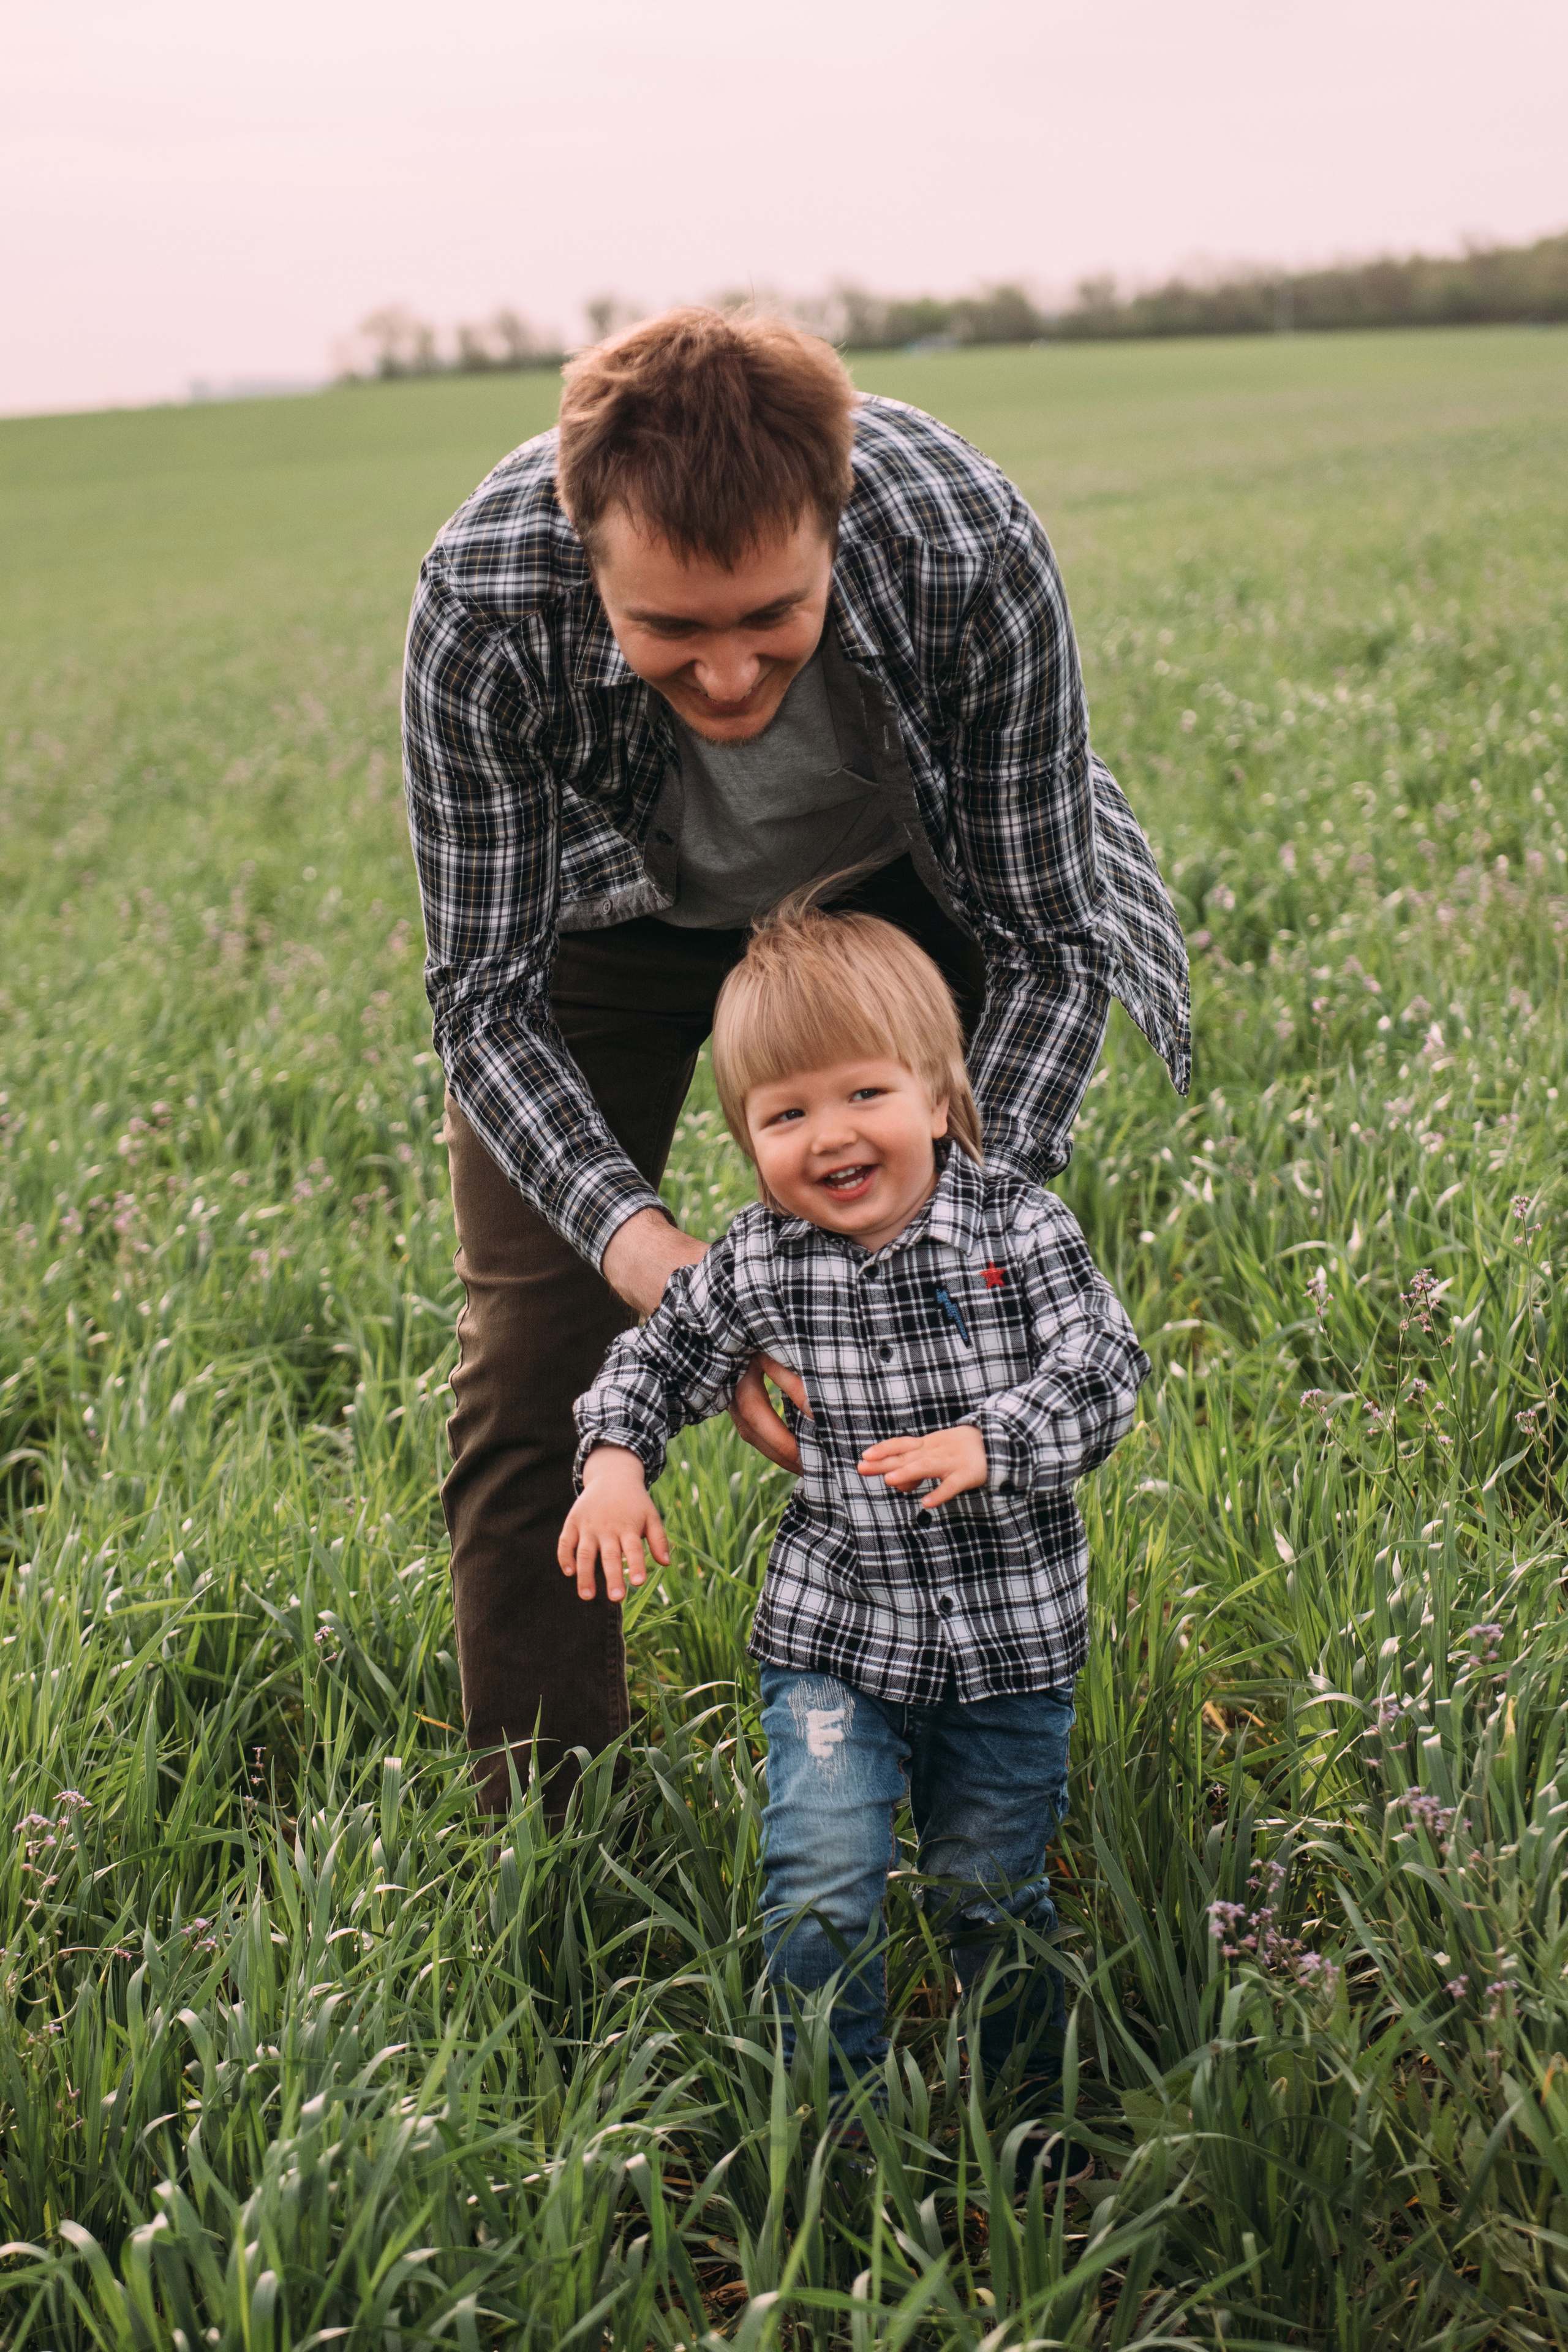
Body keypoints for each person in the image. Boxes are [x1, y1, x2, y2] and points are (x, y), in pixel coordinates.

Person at [402, 305, 1188, 1815]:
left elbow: (1044, 939)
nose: (723, 674)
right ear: (583, 548)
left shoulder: (962, 542)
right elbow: (486, 1000)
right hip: (607, 914)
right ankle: (547, 1817)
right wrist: (661, 1267)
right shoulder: (484, 602)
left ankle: (966, 1746)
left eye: (770, 614)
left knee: (970, 1320)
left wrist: (950, 1219)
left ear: (835, 520)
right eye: (668, 631)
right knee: (534, 1357)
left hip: (906, 878)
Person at [561, 902, 1150, 2139]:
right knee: (822, 1887)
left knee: (989, 1892)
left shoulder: (1018, 1229)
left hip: (1009, 1649)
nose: (829, 1135)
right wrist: (615, 1459)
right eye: (784, 1116)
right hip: (835, 1638)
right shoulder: (756, 1263)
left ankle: (1026, 2126)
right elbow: (657, 1360)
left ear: (937, 1096)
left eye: (864, 1095)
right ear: (747, 1140)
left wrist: (992, 1441)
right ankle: (834, 2136)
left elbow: (1104, 1366)